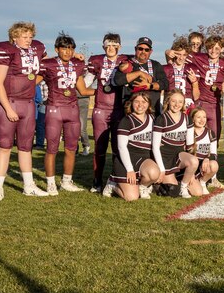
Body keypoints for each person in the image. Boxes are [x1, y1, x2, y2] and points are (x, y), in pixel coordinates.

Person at [0, 21, 48, 200]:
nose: (29, 39)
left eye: (30, 36)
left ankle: (28, 185)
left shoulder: (36, 49)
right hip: (10, 103)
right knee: (5, 147)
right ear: (14, 37)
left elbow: (47, 67)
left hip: (28, 103)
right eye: (24, 36)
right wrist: (7, 108)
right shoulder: (6, 50)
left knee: (25, 147)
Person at [38, 34, 95, 195]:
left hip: (72, 109)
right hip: (54, 109)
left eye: (71, 48)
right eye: (64, 48)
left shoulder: (77, 65)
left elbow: (83, 90)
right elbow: (33, 81)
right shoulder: (48, 64)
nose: (68, 51)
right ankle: (50, 183)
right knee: (52, 149)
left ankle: (66, 181)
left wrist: (104, 91)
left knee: (71, 148)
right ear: (57, 49)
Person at [86, 33, 129, 193]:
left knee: (119, 147)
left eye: (114, 45)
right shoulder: (96, 60)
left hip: (119, 109)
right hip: (101, 109)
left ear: (119, 46)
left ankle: (115, 178)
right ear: (103, 46)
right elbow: (86, 83)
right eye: (108, 45)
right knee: (100, 147)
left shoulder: (126, 60)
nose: (111, 48)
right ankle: (97, 180)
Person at [109, 91, 159, 201]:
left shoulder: (152, 119)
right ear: (131, 103)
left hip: (143, 158)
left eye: (144, 102)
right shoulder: (126, 120)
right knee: (131, 197)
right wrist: (129, 169)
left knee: (155, 173)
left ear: (149, 104)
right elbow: (122, 147)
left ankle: (142, 187)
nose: (140, 105)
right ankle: (112, 185)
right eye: (136, 102)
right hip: (125, 160)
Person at [150, 89, 196, 199]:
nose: (177, 104)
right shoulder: (161, 119)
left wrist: (192, 171)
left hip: (178, 156)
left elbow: (189, 146)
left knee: (197, 190)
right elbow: (155, 148)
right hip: (164, 157)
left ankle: (183, 187)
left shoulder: (187, 119)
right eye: (173, 101)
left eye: (180, 102)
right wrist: (162, 169)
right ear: (168, 102)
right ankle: (156, 184)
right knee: (173, 192)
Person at [117, 37, 168, 115]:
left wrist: (150, 86)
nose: (143, 51)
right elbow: (118, 80)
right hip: (131, 111)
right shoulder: (127, 64)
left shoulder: (156, 65)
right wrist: (139, 73)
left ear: (151, 51)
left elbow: (165, 84)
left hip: (152, 111)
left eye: (146, 50)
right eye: (140, 49)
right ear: (135, 49)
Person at [185, 106, 219, 194]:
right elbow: (184, 154)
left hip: (202, 167)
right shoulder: (188, 132)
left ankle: (202, 182)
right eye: (198, 117)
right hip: (190, 167)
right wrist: (190, 173)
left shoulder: (210, 133)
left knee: (214, 165)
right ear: (192, 119)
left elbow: (214, 153)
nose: (202, 120)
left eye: (204, 117)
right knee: (197, 193)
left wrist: (207, 158)